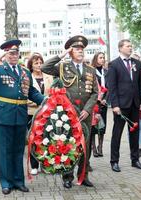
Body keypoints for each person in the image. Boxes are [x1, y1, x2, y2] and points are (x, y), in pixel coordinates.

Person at [0, 39, 44, 195]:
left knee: (19, 150)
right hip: (4, 114)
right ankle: (6, 182)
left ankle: (18, 181)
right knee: (5, 150)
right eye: (11, 53)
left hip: (20, 114)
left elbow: (31, 92)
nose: (14, 55)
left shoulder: (25, 71)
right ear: (5, 54)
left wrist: (45, 100)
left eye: (16, 53)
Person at [41, 35, 98, 188]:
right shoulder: (62, 67)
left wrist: (87, 110)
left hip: (84, 114)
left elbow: (95, 93)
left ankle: (83, 175)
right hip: (68, 113)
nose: (80, 51)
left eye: (82, 49)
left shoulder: (90, 70)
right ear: (70, 51)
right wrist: (61, 55)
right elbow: (44, 67)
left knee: (85, 145)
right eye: (76, 49)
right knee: (69, 144)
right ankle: (67, 176)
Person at [107, 39, 141, 173]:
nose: (131, 48)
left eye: (131, 46)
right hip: (121, 106)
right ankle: (114, 161)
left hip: (135, 104)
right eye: (128, 46)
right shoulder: (113, 65)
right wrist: (115, 105)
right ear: (120, 48)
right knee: (117, 133)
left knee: (134, 132)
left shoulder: (136, 63)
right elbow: (112, 87)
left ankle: (135, 160)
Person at [26, 53, 53, 175]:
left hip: (46, 112)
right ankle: (34, 165)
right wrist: (35, 102)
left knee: (46, 138)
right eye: (36, 63)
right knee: (33, 139)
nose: (38, 65)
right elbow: (25, 94)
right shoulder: (28, 76)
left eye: (40, 62)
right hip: (31, 112)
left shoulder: (49, 77)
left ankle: (45, 164)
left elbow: (52, 93)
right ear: (31, 65)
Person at [90, 52, 108, 158]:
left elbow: (109, 87)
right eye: (100, 57)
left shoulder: (106, 72)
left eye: (103, 58)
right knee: (93, 126)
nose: (102, 59)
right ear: (96, 59)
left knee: (102, 125)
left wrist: (105, 99)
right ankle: (93, 148)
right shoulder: (92, 71)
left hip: (104, 103)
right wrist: (97, 99)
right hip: (94, 102)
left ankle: (100, 146)